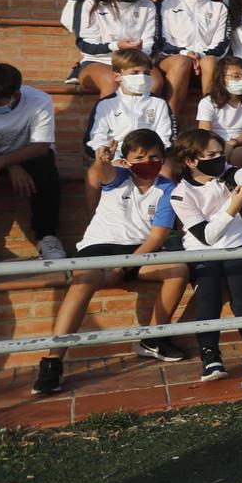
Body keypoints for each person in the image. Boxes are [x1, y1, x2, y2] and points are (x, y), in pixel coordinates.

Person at [33, 127, 190, 396]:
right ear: (126, 160)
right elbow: (101, 174)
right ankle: (52, 361)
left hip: (139, 250)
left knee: (178, 269)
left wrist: (123, 266)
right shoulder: (118, 176)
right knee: (85, 281)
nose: (147, 163)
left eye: (154, 156)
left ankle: (152, 339)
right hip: (99, 246)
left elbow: (156, 238)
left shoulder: (168, 189)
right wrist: (101, 161)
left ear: (163, 158)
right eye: (139, 157)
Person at [168, 131, 242, 382]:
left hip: (237, 246)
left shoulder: (225, 174)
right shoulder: (180, 194)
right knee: (208, 300)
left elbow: (241, 174)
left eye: (220, 154)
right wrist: (233, 207)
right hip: (201, 251)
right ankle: (210, 357)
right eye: (211, 155)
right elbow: (207, 236)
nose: (219, 159)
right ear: (191, 161)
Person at [0, 63, 63, 261]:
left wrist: (5, 161)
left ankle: (47, 236)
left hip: (28, 154)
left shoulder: (39, 100)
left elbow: (41, 145)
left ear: (16, 95)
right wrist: (9, 164)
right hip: (2, 159)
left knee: (46, 167)